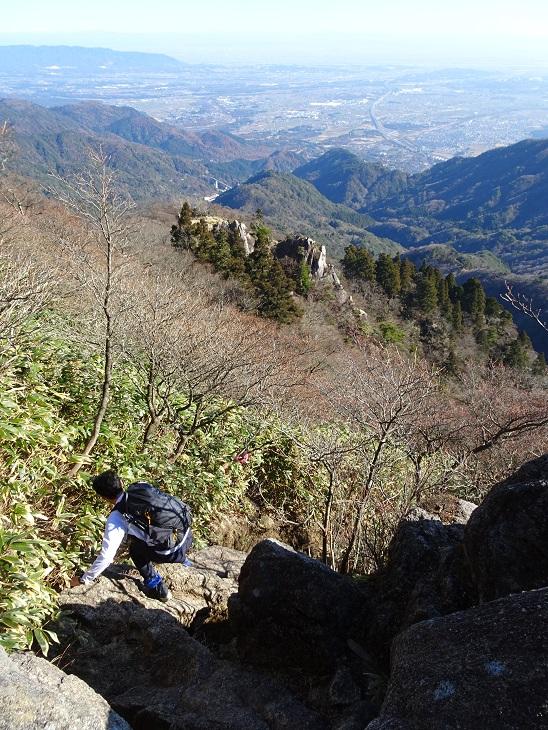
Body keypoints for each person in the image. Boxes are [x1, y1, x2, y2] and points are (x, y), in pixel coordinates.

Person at [71, 470, 192, 602]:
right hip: (186, 536)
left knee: (135, 550)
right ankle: (186, 563)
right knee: (146, 536)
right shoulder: (141, 486)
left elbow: (106, 557)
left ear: (104, 497)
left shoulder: (116, 516)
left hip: (170, 552)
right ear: (121, 483)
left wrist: (84, 580)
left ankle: (159, 590)